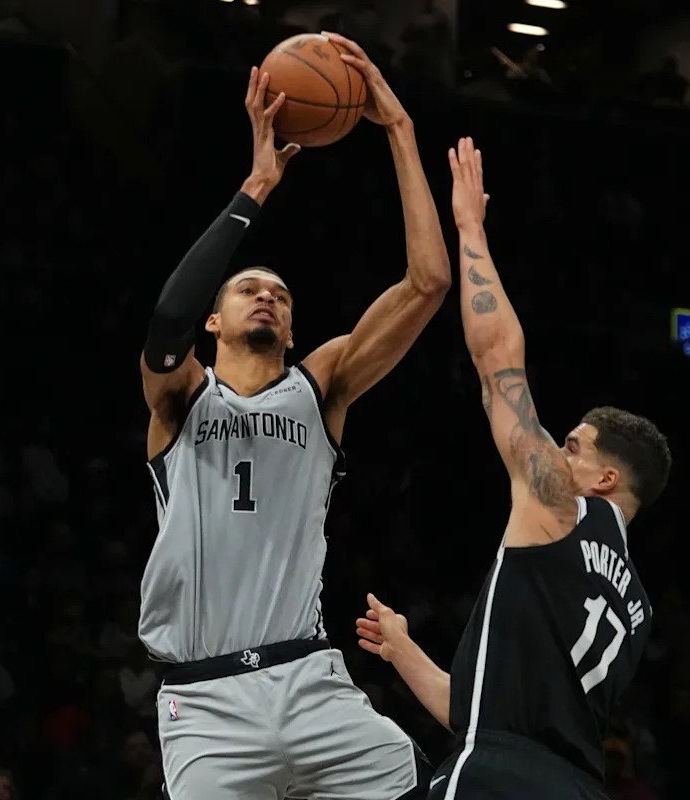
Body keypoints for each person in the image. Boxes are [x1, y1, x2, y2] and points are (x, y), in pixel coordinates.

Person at [138, 32, 449, 800]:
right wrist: (256, 187)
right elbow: (169, 316)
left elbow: (428, 282)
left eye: (279, 293)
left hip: (310, 679)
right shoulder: (181, 398)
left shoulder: (321, 387)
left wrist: (399, 128)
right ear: (214, 323)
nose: (267, 296)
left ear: (292, 326)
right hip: (204, 699)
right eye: (248, 289)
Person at [355, 138, 672, 799]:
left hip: (492, 779)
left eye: (574, 446)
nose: (558, 451)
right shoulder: (638, 607)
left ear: (606, 479)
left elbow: (499, 357)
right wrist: (402, 649)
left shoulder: (560, 505)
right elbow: (485, 716)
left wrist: (470, 228)